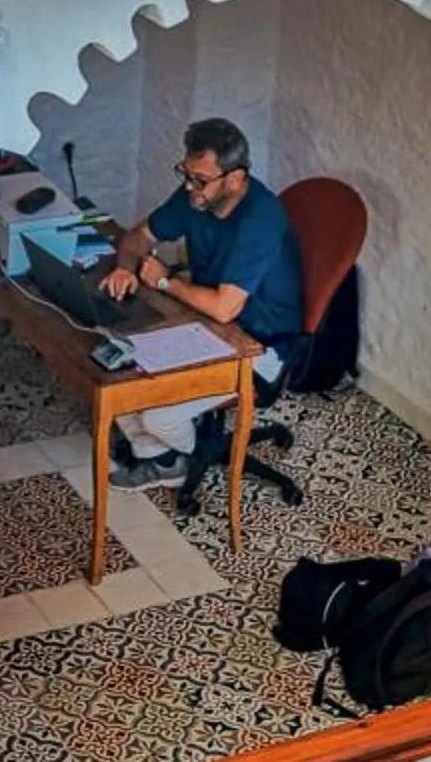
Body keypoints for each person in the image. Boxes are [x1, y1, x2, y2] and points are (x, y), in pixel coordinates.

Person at [103, 117, 306, 488]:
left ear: (236, 178)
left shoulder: (260, 220)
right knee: (122, 375)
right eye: (185, 172)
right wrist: (124, 268)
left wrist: (165, 280)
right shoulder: (195, 199)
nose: (189, 186)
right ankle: (165, 461)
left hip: (258, 345)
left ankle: (189, 455)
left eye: (200, 179)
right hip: (205, 324)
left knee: (156, 415)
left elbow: (225, 308)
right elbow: (138, 236)